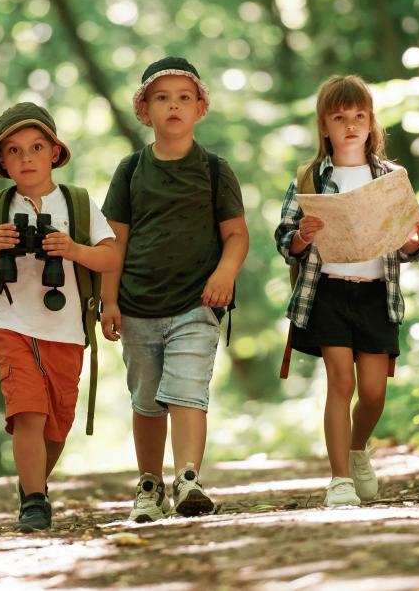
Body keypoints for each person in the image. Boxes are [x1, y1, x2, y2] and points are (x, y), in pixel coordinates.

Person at [274, 74, 419, 507]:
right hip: (326, 292)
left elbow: (406, 246)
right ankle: (339, 480)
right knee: (341, 382)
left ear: (371, 122)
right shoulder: (309, 177)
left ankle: (357, 447)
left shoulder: (390, 177)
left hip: (377, 294)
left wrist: (415, 241)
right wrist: (302, 236)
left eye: (359, 116)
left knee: (374, 392)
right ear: (324, 126)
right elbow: (285, 240)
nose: (350, 125)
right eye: (339, 117)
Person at [101, 56, 248, 522]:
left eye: (184, 97)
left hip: (196, 302)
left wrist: (225, 273)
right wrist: (108, 300)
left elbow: (236, 234)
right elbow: (114, 242)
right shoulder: (130, 170)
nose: (174, 106)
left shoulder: (214, 169)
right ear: (144, 110)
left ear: (200, 108)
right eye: (162, 98)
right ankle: (149, 485)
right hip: (137, 304)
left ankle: (187, 479)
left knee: (187, 390)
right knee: (147, 400)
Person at [0, 102, 119, 532]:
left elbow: (111, 258)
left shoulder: (78, 203)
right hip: (12, 324)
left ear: (55, 152)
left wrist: (72, 249)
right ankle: (35, 502)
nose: (26, 158)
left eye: (36, 147)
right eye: (14, 150)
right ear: (2, 161)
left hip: (66, 330)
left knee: (57, 425)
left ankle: (31, 485)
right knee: (28, 412)